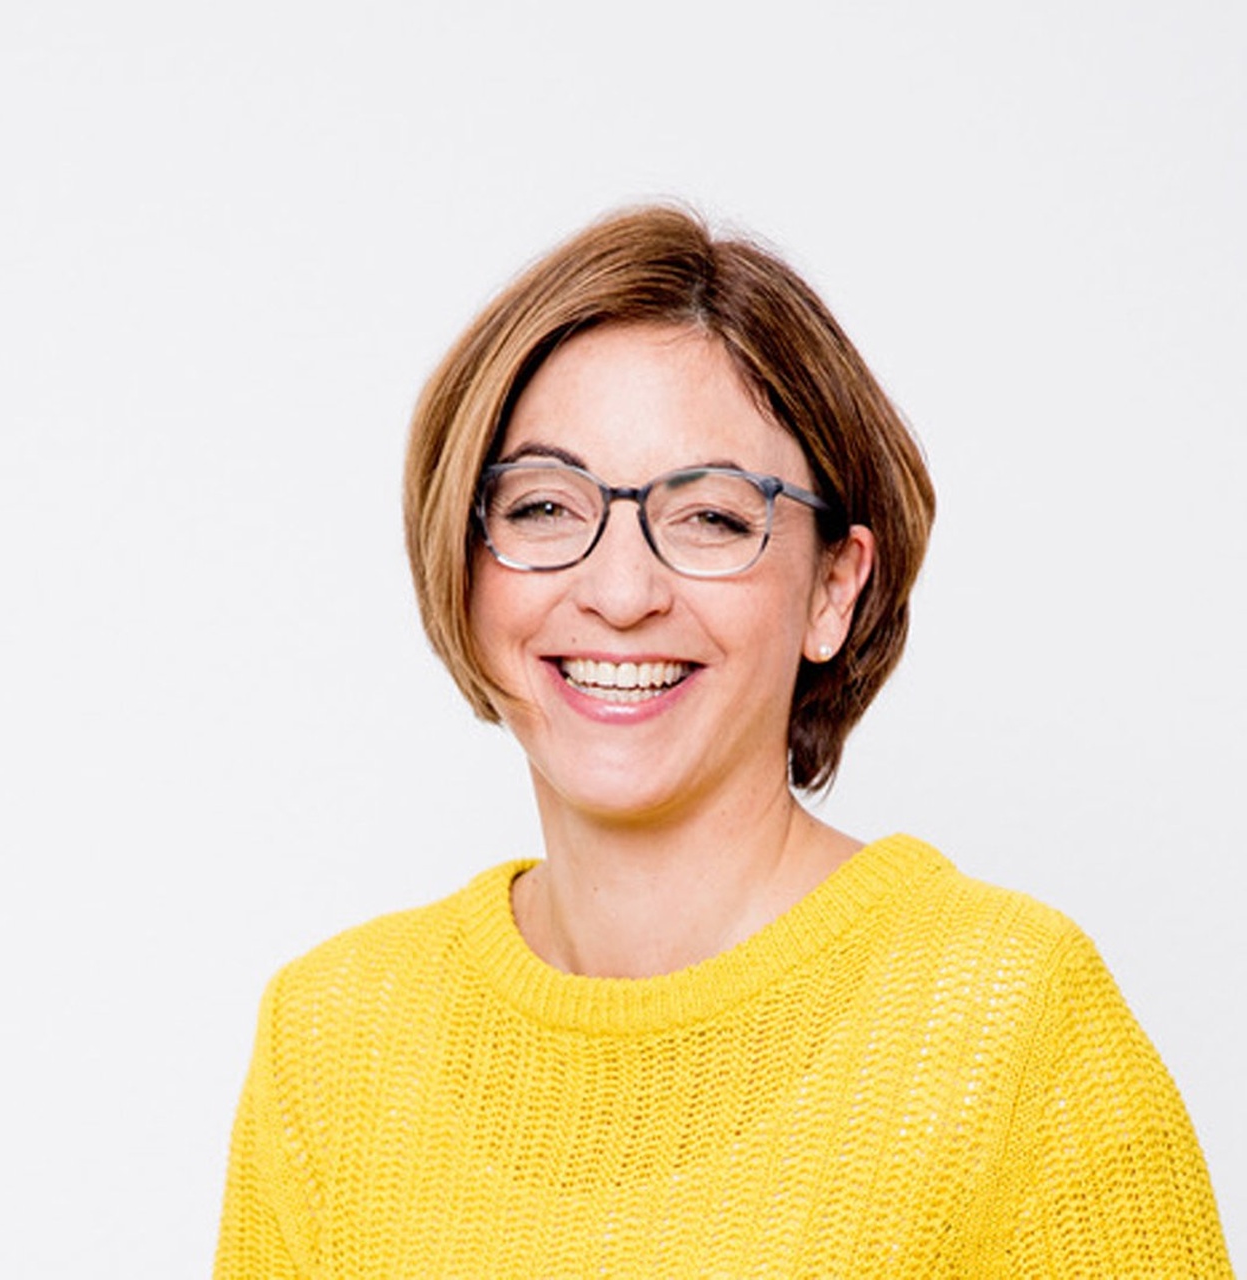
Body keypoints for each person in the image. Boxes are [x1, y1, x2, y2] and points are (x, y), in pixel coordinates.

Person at [214, 206, 1232, 1277]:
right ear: (463, 568)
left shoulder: (1009, 1022)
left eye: (711, 517)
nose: (620, 592)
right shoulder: (329, 1039)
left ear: (833, 588)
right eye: (544, 507)